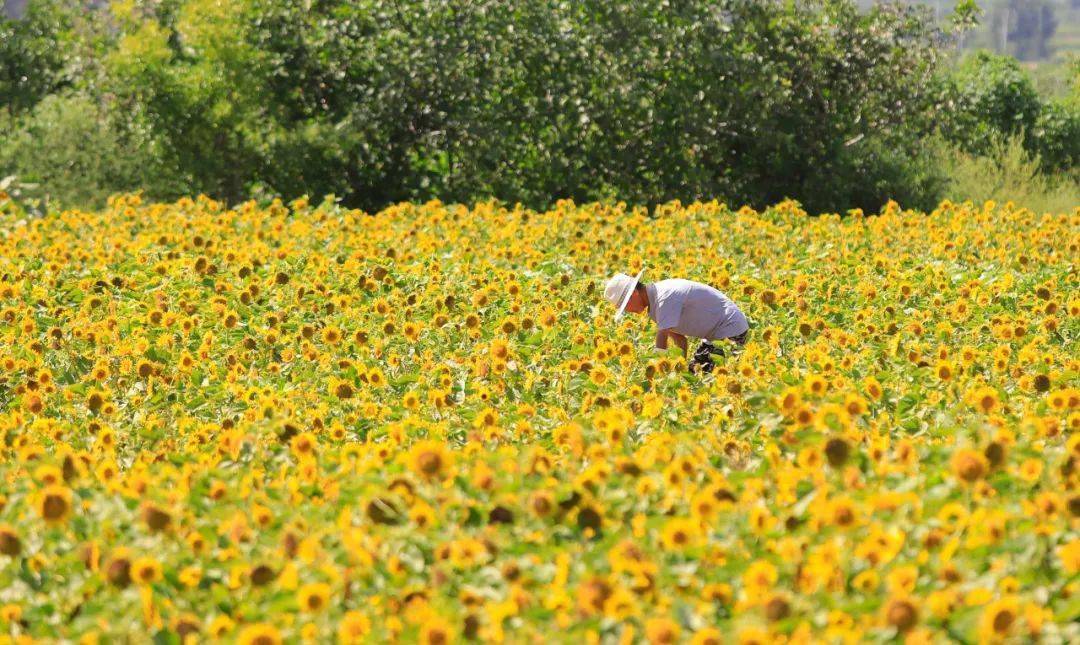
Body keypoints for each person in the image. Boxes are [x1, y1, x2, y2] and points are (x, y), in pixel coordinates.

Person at [603, 269, 749, 373]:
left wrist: (657, 368)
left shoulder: (664, 297)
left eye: (625, 306)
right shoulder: (655, 306)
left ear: (633, 294)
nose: (628, 311)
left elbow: (662, 337)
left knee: (707, 378)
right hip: (715, 336)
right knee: (692, 375)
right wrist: (681, 368)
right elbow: (681, 341)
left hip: (730, 330)